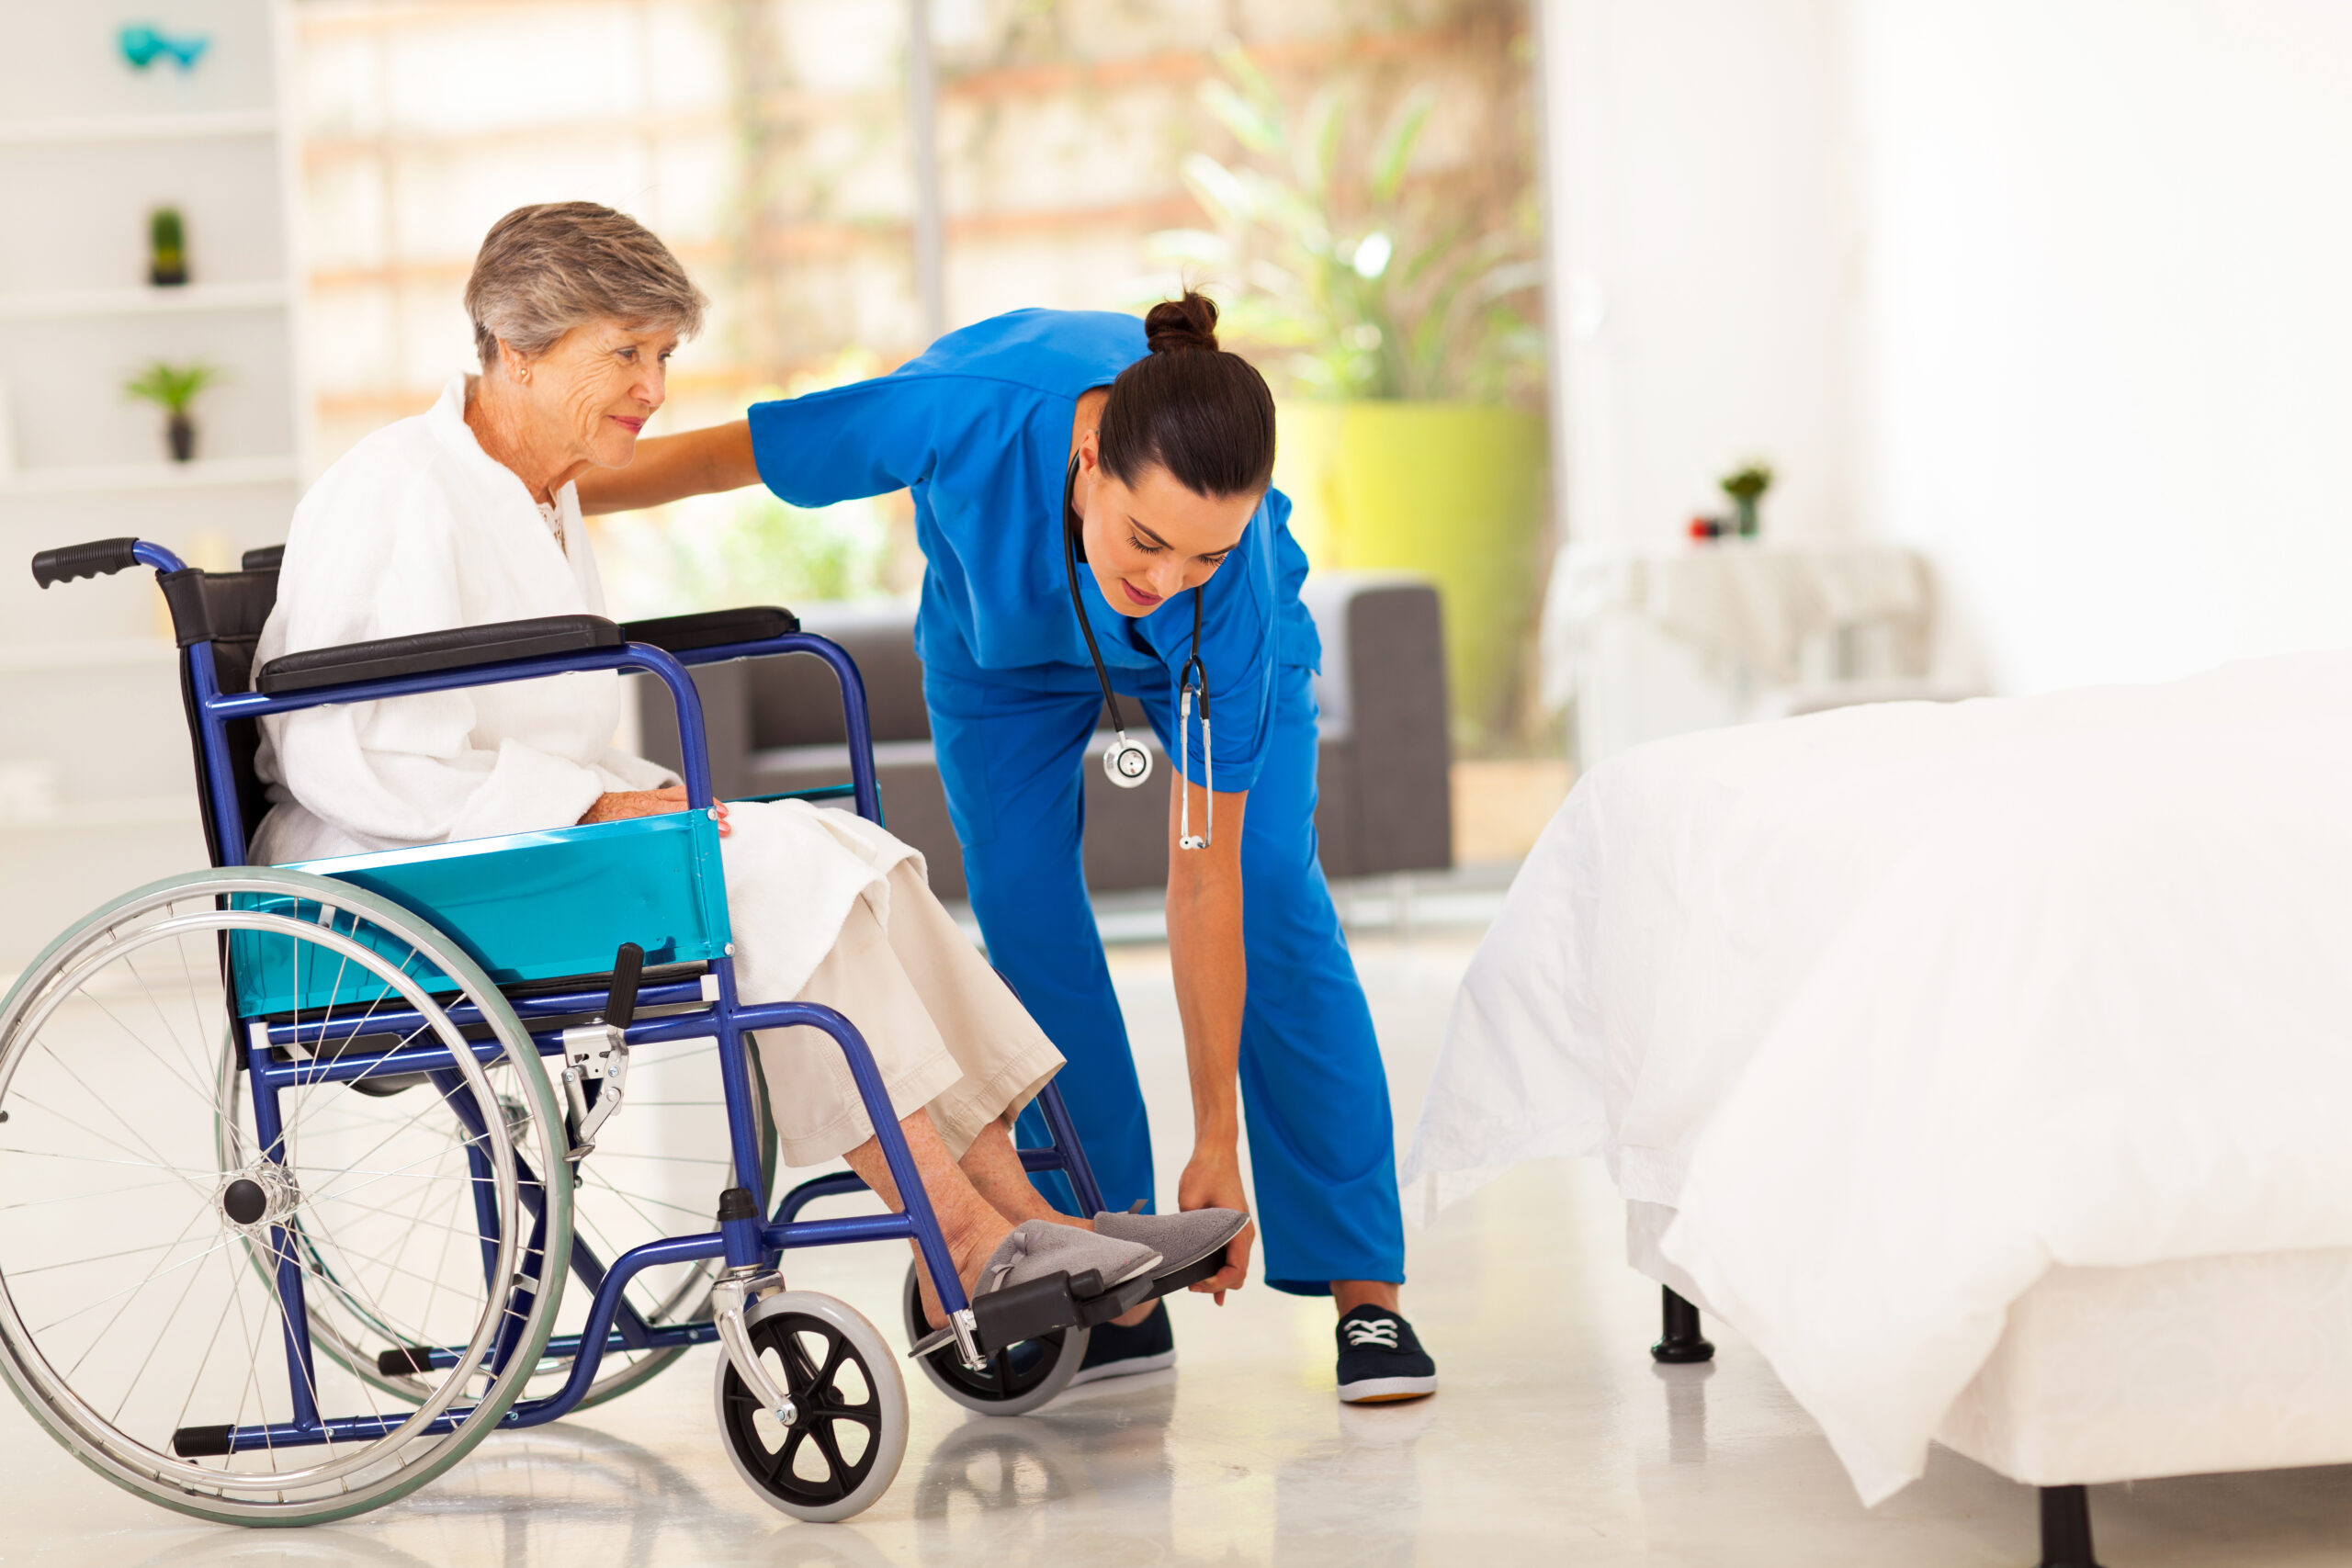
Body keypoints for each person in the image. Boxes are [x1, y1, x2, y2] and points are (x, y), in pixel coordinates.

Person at [250, 201, 1249, 1332]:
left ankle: (1034, 1214)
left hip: (518, 847)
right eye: (622, 353)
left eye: (664, 355)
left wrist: (624, 795)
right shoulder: (392, 489)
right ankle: (967, 1243)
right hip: (405, 873)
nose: (654, 387)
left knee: (854, 855)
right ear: (513, 349)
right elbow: (342, 747)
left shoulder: (539, 499)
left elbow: (544, 729)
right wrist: (595, 801)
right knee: (772, 876)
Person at [575, 296, 1440, 1403]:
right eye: (1146, 539)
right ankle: (1103, 1263)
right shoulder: (962, 408)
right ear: (1089, 462)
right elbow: (721, 460)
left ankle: (1365, 1295)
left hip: (1206, 668)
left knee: (1270, 894)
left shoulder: (1232, 592)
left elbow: (1201, 880)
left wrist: (1216, 1141)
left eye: (1204, 551)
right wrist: (523, 496)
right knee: (1027, 918)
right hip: (1003, 657)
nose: (1166, 575)